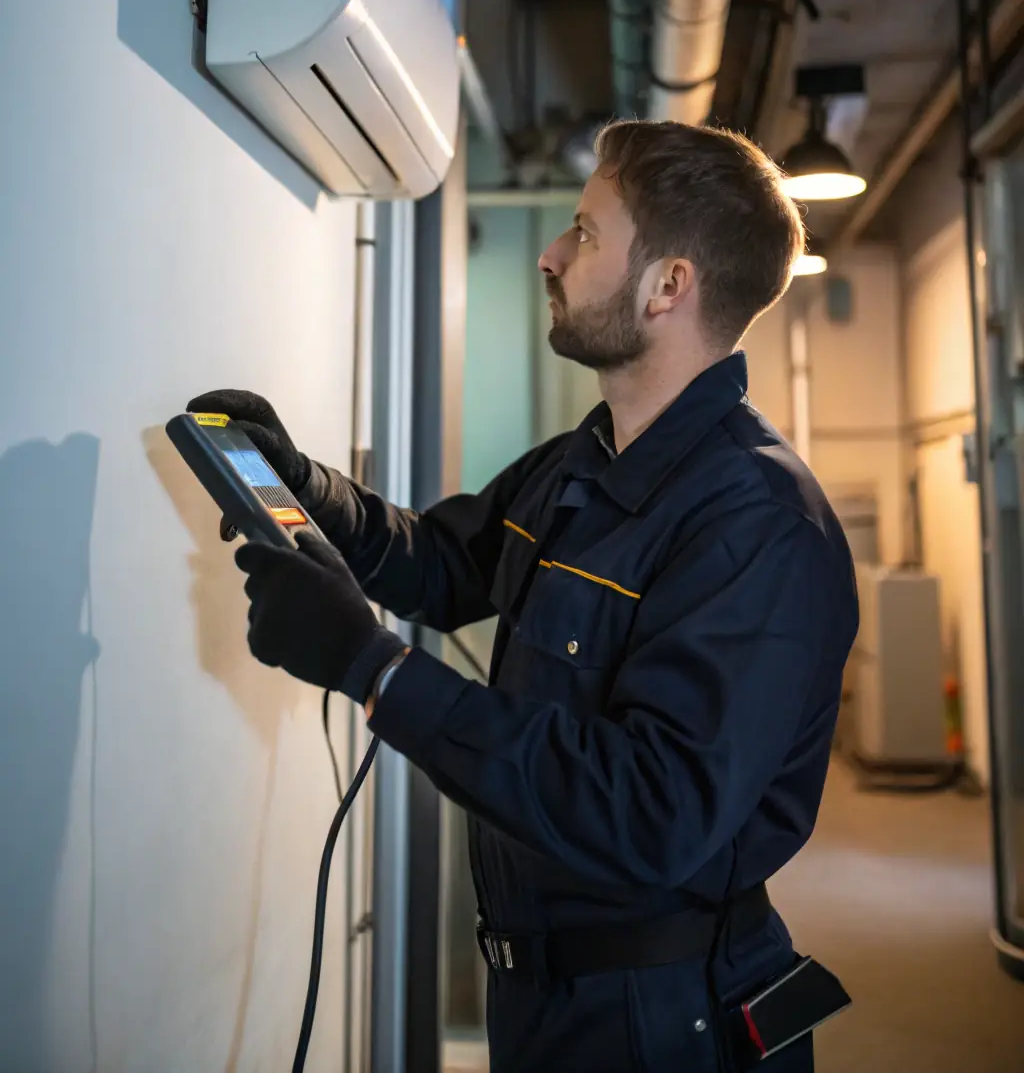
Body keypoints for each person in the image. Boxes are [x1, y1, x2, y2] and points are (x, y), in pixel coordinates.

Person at [189, 120, 858, 1073]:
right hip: (541, 994)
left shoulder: (756, 524)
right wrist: (305, 487)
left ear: (670, 285)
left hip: (663, 1016)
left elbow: (652, 810)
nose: (549, 254)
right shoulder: (583, 463)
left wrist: (372, 667)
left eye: (584, 234)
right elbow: (440, 562)